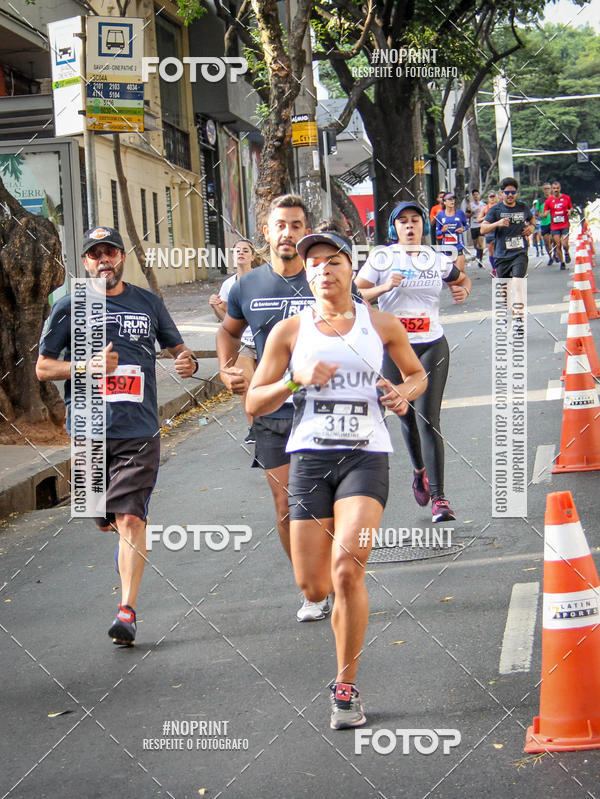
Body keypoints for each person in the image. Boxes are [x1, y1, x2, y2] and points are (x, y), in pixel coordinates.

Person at [246, 229, 427, 729]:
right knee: (314, 584)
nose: (324, 270)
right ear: (307, 275)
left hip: (366, 456)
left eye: (334, 261)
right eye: (315, 264)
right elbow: (254, 401)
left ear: (351, 269)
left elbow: (416, 374)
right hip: (309, 458)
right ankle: (321, 597)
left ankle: (345, 688)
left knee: (348, 567)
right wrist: (294, 380)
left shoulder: (381, 324)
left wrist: (403, 393)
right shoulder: (290, 332)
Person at [36, 226, 198, 645]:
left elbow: (179, 350)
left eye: (110, 252)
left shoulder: (147, 302)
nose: (103, 260)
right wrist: (87, 367)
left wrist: (188, 362)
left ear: (122, 257)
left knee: (130, 518)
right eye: (95, 254)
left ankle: (127, 611)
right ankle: (119, 527)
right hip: (88, 429)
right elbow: (43, 367)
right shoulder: (71, 305)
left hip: (138, 430)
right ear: (85, 262)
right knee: (103, 517)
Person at [216, 195, 328, 622]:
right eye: (280, 225)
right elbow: (228, 332)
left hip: (325, 409)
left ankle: (332, 572)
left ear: (306, 232)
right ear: (266, 231)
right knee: (285, 505)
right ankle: (311, 590)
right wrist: (227, 369)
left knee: (323, 502)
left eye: (296, 225)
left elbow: (361, 325)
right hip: (273, 411)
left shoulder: (326, 276)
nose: (288, 233)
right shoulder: (247, 286)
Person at [355, 201, 472, 522]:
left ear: (423, 225)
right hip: (393, 349)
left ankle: (440, 498)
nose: (409, 226)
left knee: (428, 420)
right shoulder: (382, 257)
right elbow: (355, 295)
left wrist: (463, 291)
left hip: (432, 345)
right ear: (394, 228)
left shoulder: (436, 258)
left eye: (415, 220)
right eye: (403, 221)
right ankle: (419, 471)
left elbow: (462, 279)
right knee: (406, 417)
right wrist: (383, 287)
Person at [209, 238, 260, 443]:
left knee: (265, 384)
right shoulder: (228, 285)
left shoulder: (262, 280)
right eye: (237, 250)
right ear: (232, 256)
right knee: (246, 385)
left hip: (265, 340)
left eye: (245, 250)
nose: (241, 253)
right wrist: (215, 306)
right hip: (244, 343)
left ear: (253, 256)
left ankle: (273, 427)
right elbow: (227, 322)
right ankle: (254, 428)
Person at [480, 178, 536, 280]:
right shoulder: (495, 210)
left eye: (513, 192)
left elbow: (532, 219)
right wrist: (497, 223)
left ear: (516, 193)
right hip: (502, 255)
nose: (510, 195)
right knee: (504, 289)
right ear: (501, 193)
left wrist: (532, 227)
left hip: (520, 253)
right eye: (507, 192)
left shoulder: (522, 207)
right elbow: (482, 229)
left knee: (518, 283)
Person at [543, 180, 574, 270]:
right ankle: (562, 262)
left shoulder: (566, 198)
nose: (556, 190)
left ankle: (566, 253)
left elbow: (571, 208)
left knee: (565, 243)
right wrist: (545, 214)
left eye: (557, 188)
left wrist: (570, 211)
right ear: (552, 190)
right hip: (555, 226)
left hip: (564, 225)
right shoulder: (549, 201)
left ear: (560, 188)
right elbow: (545, 211)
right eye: (554, 188)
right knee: (558, 244)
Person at [436, 192, 468, 272]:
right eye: (449, 199)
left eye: (453, 199)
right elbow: (437, 233)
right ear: (444, 202)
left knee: (459, 271)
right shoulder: (440, 215)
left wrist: (463, 229)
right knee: (449, 273)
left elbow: (467, 225)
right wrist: (442, 231)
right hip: (446, 248)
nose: (452, 201)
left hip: (458, 246)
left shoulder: (460, 213)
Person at [478, 190, 499, 275]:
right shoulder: (485, 208)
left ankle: (500, 267)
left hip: (499, 231)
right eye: (491, 197)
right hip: (489, 232)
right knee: (491, 251)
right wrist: (487, 217)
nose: (492, 198)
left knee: (499, 250)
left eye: (493, 196)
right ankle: (494, 268)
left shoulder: (500, 206)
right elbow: (478, 219)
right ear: (488, 198)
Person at [533, 183, 554, 265]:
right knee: (546, 241)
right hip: (544, 223)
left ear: (551, 189)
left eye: (548, 188)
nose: (547, 190)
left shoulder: (554, 199)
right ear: (543, 190)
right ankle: (550, 257)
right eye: (545, 189)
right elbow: (536, 213)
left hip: (554, 223)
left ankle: (556, 253)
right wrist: (542, 215)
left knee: (554, 239)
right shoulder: (540, 201)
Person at [468, 189, 486, 268]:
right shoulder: (470, 205)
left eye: (477, 194)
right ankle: (478, 254)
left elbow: (487, 213)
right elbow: (467, 215)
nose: (476, 196)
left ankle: (480, 260)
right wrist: (473, 213)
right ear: (473, 196)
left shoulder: (483, 205)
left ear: (479, 195)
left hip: (481, 225)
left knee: (480, 244)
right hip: (473, 226)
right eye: (474, 195)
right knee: (476, 245)